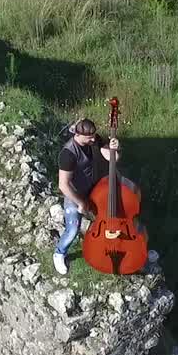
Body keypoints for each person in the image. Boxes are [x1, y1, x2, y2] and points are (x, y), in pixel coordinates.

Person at [54, 118, 115, 275]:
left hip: (92, 190)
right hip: (74, 195)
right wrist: (81, 202)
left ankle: (103, 247)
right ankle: (59, 253)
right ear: (78, 134)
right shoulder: (68, 154)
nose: (94, 139)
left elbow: (110, 156)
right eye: (89, 138)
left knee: (106, 218)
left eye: (94, 136)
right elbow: (63, 185)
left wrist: (115, 148)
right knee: (73, 229)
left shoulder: (92, 140)